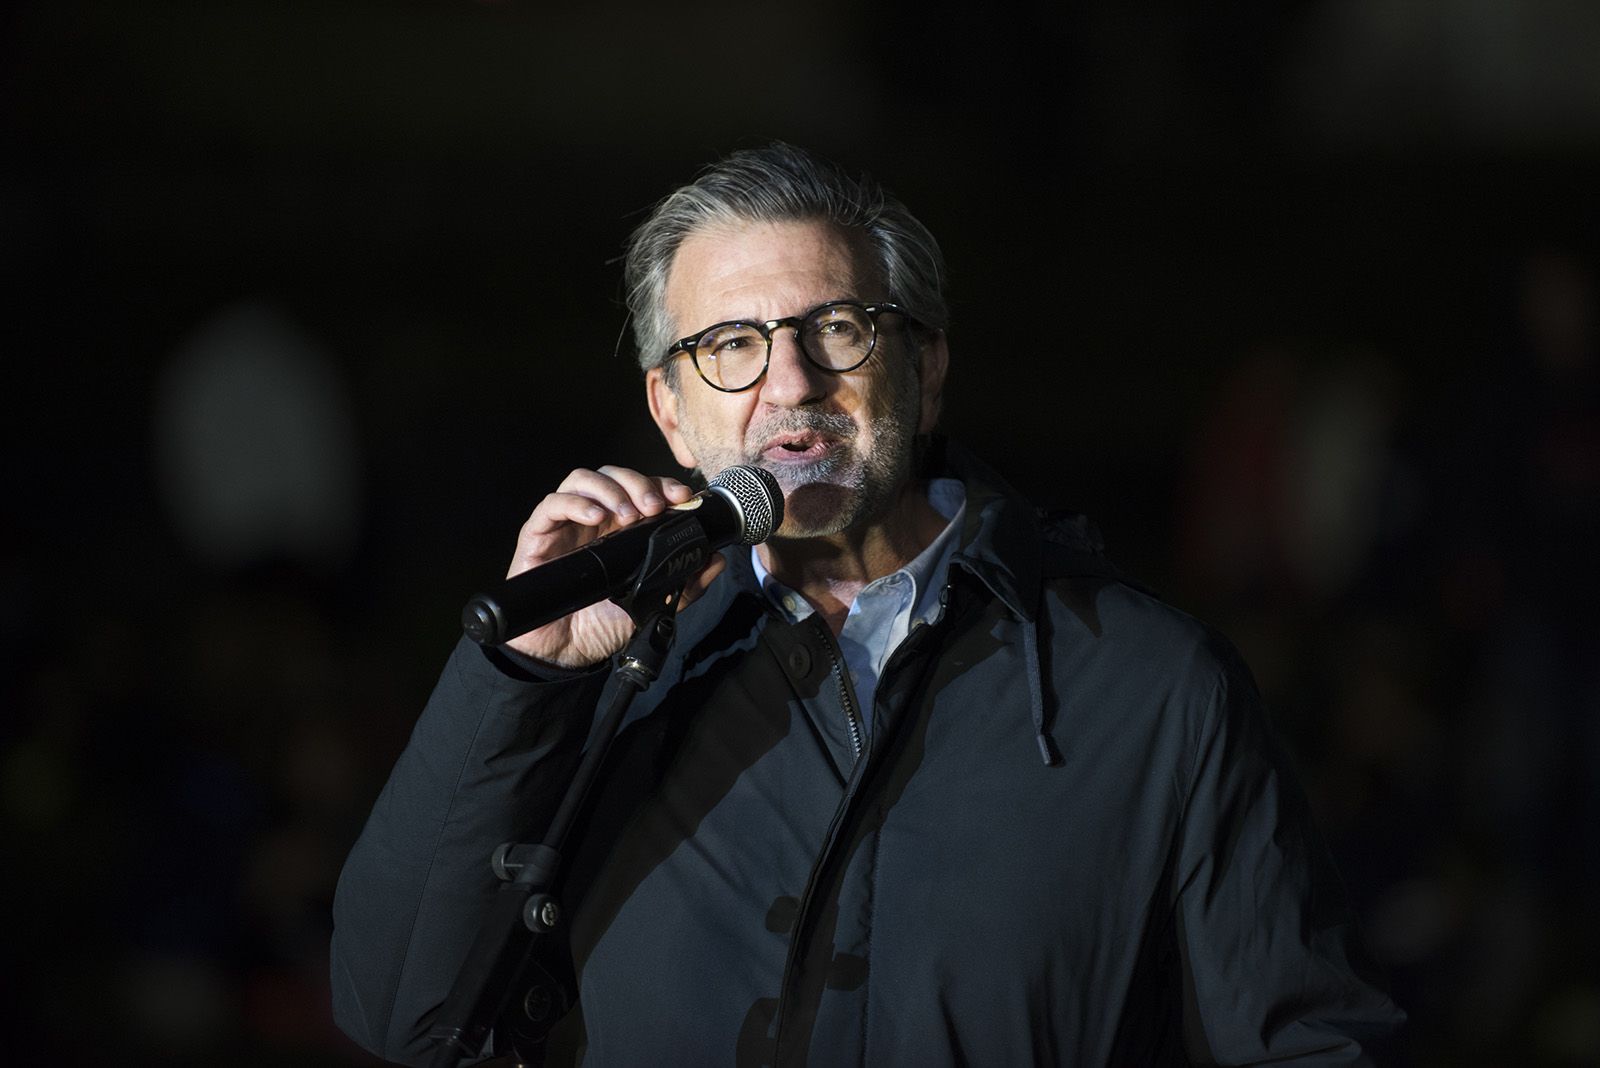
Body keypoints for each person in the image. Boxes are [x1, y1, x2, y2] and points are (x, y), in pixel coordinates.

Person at [330, 144, 1403, 1066]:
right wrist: (528, 677)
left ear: (925, 371)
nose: (789, 383)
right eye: (730, 347)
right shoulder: (609, 679)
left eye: (835, 328)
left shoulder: (1149, 685)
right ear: (668, 408)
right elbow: (399, 1016)